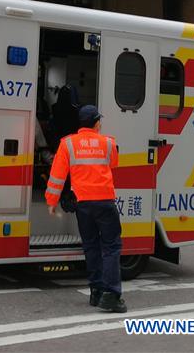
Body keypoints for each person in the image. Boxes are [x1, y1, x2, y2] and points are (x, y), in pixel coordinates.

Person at [45, 104, 126, 313]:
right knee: (111, 247)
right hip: (105, 202)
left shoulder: (67, 144)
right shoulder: (109, 144)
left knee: (90, 246)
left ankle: (96, 291)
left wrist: (52, 201)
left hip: (83, 204)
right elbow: (114, 165)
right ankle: (111, 294)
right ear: (97, 122)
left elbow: (57, 175)